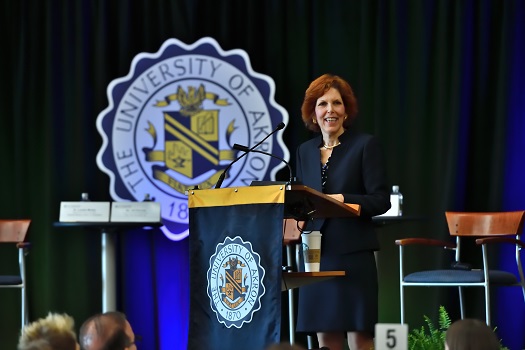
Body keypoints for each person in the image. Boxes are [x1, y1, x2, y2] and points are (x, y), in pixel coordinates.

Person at [295, 73, 391, 350]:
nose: (330, 110)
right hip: (315, 256)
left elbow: (381, 200)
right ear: (313, 112)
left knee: (360, 336)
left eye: (337, 103)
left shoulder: (365, 145)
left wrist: (342, 199)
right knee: (325, 338)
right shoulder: (304, 151)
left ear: (346, 110)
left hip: (352, 255)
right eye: (322, 104)